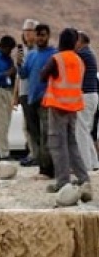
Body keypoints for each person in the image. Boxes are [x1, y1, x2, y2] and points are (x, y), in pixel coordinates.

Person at [39, 27, 90, 204]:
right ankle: (84, 180)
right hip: (73, 107)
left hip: (58, 106)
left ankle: (63, 182)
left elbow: (42, 76)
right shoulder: (79, 60)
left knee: (57, 146)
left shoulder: (57, 59)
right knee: (72, 144)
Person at [21, 23, 57, 179]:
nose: (40, 38)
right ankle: (41, 165)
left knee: (46, 135)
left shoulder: (54, 54)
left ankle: (47, 170)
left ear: (48, 36)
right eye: (38, 35)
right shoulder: (31, 55)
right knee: (34, 134)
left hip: (46, 99)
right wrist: (18, 63)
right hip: (31, 98)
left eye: (43, 35)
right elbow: (24, 75)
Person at [15, 19, 39, 165]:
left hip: (34, 92)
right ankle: (33, 153)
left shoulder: (38, 51)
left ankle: (37, 155)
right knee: (27, 126)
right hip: (24, 92)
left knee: (34, 126)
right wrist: (15, 95)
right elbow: (19, 75)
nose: (27, 34)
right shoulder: (23, 51)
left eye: (30, 31)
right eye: (25, 31)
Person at [74, 31, 99, 171]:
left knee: (81, 131)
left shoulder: (82, 55)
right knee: (85, 130)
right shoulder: (89, 53)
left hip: (85, 95)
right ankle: (94, 162)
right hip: (91, 95)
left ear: (80, 42)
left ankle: (85, 164)